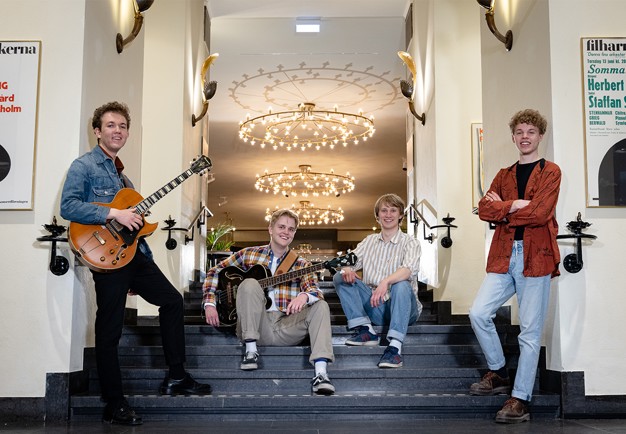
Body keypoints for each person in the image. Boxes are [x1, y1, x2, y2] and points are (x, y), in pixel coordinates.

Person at [60, 101, 211, 426]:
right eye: (111, 125)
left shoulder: (123, 178)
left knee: (172, 301)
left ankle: (176, 375)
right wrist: (114, 213)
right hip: (103, 257)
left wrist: (136, 230)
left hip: (132, 256)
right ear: (98, 131)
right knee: (110, 328)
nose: (118, 131)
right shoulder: (83, 166)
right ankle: (114, 404)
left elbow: (132, 227)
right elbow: (69, 206)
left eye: (123, 126)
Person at [468, 109, 561, 424]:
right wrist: (514, 205)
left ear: (539, 136)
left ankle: (520, 399)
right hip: (504, 255)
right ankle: (499, 371)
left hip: (536, 256)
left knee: (530, 333)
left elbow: (540, 214)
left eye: (531, 132)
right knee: (479, 312)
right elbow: (483, 209)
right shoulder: (504, 174)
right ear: (513, 136)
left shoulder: (551, 171)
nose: (525, 137)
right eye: (520, 132)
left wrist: (503, 210)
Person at [202, 208, 336, 395]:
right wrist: (210, 303)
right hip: (255, 325)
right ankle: (250, 352)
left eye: (291, 229)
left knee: (321, 305)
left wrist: (304, 295)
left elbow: (315, 289)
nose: (285, 232)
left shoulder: (301, 264)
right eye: (281, 226)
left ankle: (321, 374)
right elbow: (215, 271)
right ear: (270, 229)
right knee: (249, 283)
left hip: (286, 326)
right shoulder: (249, 254)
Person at [333, 193, 422, 368]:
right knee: (340, 277)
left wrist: (386, 282)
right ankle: (366, 330)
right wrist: (347, 268)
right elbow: (348, 261)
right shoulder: (369, 241)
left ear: (401, 215)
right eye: (384, 210)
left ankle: (394, 348)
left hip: (405, 308)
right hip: (376, 306)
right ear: (377, 215)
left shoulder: (411, 243)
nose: (388, 214)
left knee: (401, 284)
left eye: (393, 210)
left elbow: (408, 270)